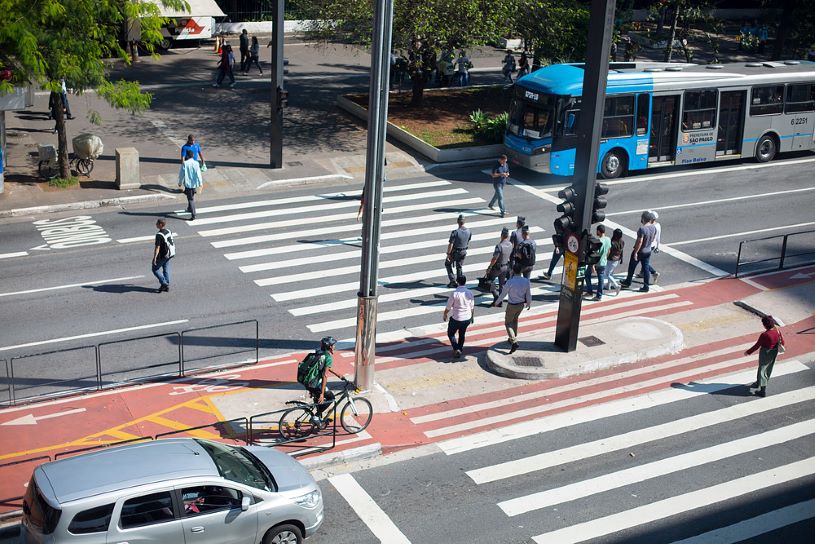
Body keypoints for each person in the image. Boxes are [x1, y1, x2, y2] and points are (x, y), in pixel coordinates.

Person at [493, 264, 532, 354]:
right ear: (521, 271)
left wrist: (497, 302)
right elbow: (528, 294)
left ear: (513, 271)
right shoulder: (526, 281)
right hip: (521, 305)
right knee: (515, 320)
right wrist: (529, 303)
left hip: (512, 305)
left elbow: (503, 294)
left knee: (507, 323)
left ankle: (514, 341)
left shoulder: (510, 282)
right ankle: (513, 336)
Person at [306, 336, 344, 425]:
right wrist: (322, 394)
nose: (335, 347)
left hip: (308, 381)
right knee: (331, 398)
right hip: (315, 383)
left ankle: (319, 418)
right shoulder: (328, 357)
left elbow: (324, 367)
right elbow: (325, 375)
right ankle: (316, 416)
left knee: (319, 398)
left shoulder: (319, 352)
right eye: (334, 345)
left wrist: (337, 374)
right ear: (330, 347)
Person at [745, 315, 784, 398]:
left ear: (765, 325)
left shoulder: (764, 334)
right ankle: (758, 383)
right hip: (774, 352)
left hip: (765, 352)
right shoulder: (777, 331)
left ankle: (762, 391)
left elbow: (757, 345)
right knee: (768, 368)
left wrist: (748, 352)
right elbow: (782, 342)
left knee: (762, 369)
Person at [620, 211, 657, 292]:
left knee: (632, 267)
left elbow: (639, 242)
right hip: (648, 251)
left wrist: (636, 252)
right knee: (646, 268)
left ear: (643, 219)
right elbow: (653, 238)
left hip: (640, 251)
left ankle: (628, 282)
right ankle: (646, 286)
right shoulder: (654, 227)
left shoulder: (642, 229)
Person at [443, 276, 475, 359]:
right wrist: (472, 317)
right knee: (462, 334)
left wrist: (445, 314)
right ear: (465, 282)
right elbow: (472, 307)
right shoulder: (469, 292)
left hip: (457, 318)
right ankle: (460, 349)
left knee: (450, 333)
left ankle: (456, 348)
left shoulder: (454, 293)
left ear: (457, 282)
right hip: (467, 318)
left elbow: (448, 307)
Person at [485, 227, 513, 306]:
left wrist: (489, 267)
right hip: (505, 267)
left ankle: (496, 297)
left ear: (501, 235)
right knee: (502, 285)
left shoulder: (499, 246)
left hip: (497, 267)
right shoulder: (510, 245)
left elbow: (494, 258)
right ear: (507, 236)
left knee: (489, 281)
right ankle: (500, 301)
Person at [585, 224, 612, 301]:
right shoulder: (608, 239)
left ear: (599, 231)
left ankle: (590, 291)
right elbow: (609, 250)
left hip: (596, 262)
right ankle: (599, 295)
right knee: (601, 279)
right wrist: (605, 257)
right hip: (603, 262)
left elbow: (595, 254)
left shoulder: (599, 241)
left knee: (587, 275)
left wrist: (593, 265)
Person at [445, 214, 472, 288]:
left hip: (455, 252)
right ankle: (460, 283)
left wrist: (448, 254)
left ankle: (453, 281)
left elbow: (451, 244)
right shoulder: (469, 231)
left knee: (447, 264)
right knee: (459, 267)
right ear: (464, 222)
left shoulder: (455, 232)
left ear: (457, 221)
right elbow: (468, 241)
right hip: (463, 251)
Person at [178, 150, 203, 221]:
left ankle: (193, 214)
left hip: (188, 184)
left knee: (190, 199)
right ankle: (189, 208)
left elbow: (181, 174)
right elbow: (198, 174)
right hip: (194, 184)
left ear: (187, 156)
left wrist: (180, 182)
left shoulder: (185, 163)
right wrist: (200, 183)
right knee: (190, 196)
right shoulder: (196, 163)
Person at [638, 210, 661, 284]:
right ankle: (642, 273)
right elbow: (658, 237)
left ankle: (653, 272)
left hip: (648, 245)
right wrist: (657, 246)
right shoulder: (658, 225)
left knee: (644, 262)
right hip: (653, 245)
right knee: (645, 260)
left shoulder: (651, 226)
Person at [152, 219, 174, 293]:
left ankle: (164, 283)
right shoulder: (169, 231)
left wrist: (155, 257)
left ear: (161, 224)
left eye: (157, 223)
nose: (156, 224)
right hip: (170, 253)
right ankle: (166, 284)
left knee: (155, 269)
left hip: (163, 254)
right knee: (166, 268)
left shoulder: (159, 235)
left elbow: (157, 247)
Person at [605, 228, 624, 295]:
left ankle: (616, 285)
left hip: (611, 259)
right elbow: (621, 251)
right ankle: (608, 286)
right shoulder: (622, 241)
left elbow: (608, 251)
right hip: (617, 259)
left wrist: (605, 257)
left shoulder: (612, 242)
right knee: (611, 273)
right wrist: (621, 258)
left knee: (608, 274)